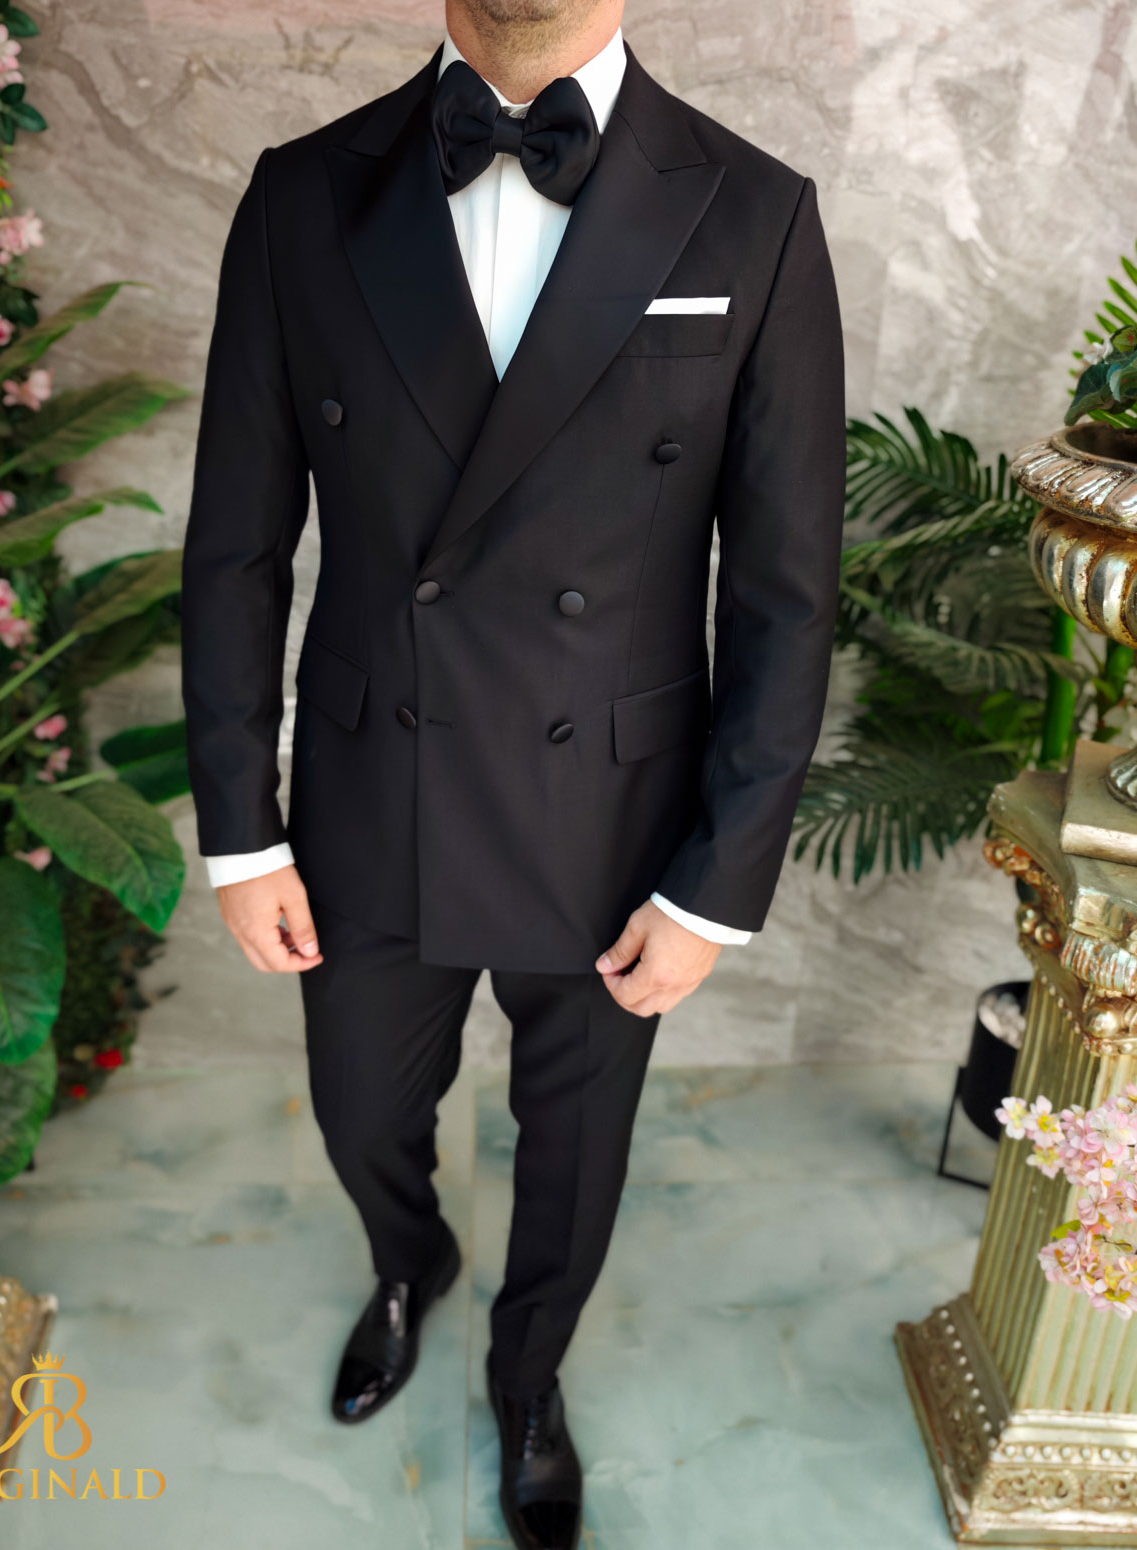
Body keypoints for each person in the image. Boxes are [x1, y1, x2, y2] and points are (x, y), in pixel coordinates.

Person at [180, 0, 845, 1543]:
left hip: (612, 812)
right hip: (369, 791)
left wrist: (718, 881)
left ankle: (529, 1371)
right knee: (360, 1110)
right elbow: (235, 549)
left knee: (575, 1155)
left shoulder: (755, 211)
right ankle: (407, 1262)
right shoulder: (301, 194)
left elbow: (786, 594)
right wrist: (242, 831)